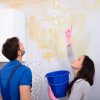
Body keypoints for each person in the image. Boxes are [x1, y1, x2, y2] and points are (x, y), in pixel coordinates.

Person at [48, 26, 95, 100]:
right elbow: (71, 57)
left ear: (82, 67)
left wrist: (53, 98)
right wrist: (68, 40)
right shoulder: (83, 82)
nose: (75, 59)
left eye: (79, 59)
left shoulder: (80, 83)